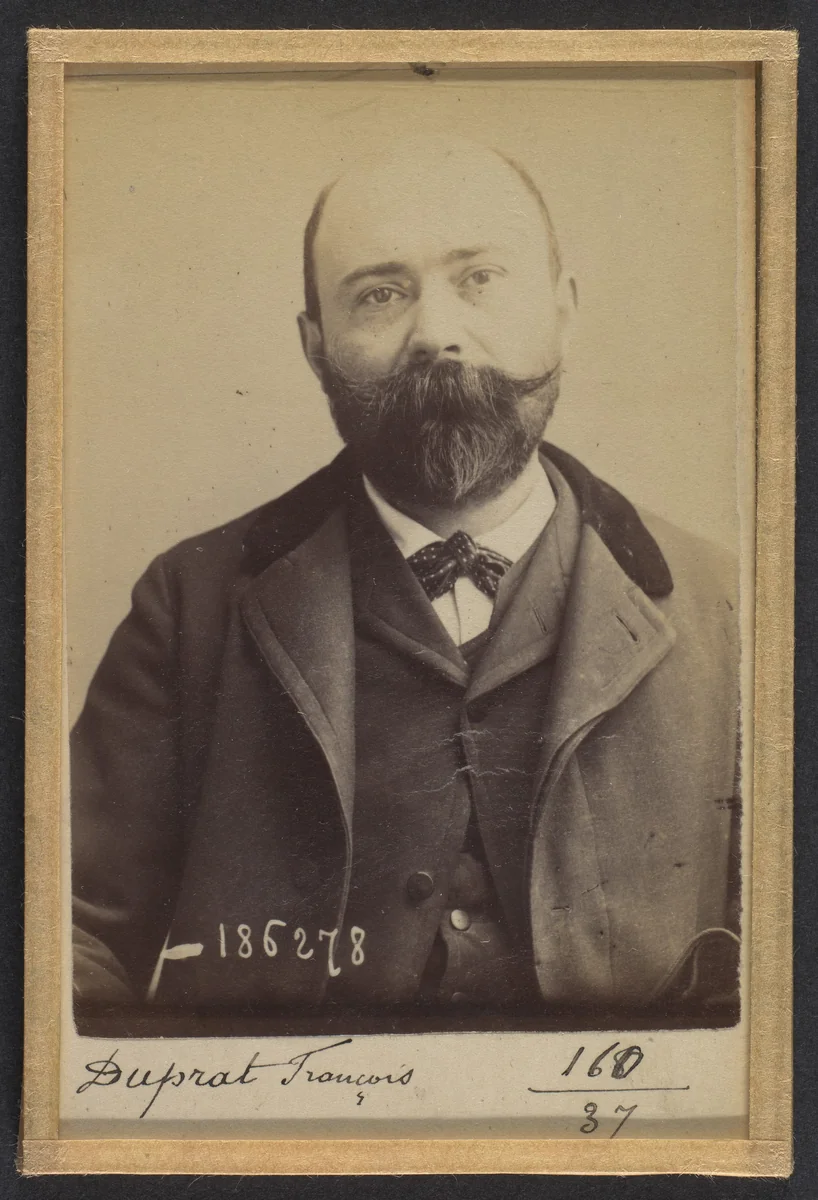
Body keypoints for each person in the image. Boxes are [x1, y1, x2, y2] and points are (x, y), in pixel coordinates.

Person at [71, 135, 741, 1029]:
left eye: (481, 278)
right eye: (379, 294)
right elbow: (62, 937)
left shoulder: (730, 611)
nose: (436, 334)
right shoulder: (188, 606)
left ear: (564, 310)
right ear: (316, 348)